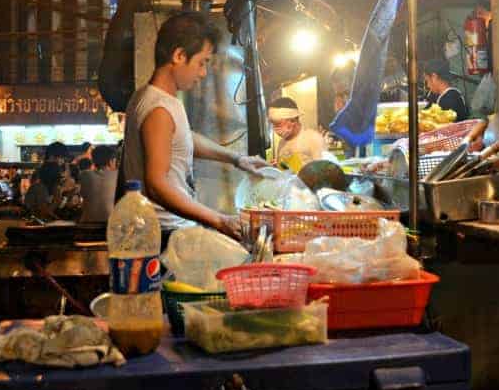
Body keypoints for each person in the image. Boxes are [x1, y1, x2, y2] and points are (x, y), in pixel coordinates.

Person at [123, 12, 268, 244]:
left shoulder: (154, 98)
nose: (203, 73)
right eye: (202, 63)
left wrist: (237, 159)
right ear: (179, 55)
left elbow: (181, 138)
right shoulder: (159, 109)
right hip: (163, 235)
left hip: (168, 230)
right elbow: (156, 185)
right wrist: (219, 220)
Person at [267, 97, 326, 169]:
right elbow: (284, 172)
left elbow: (324, 171)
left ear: (293, 120)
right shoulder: (282, 143)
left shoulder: (313, 139)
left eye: (278, 124)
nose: (275, 128)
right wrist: (276, 167)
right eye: (273, 124)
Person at [80, 145, 118, 224]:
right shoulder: (118, 175)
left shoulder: (84, 175)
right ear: (111, 161)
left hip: (87, 225)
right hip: (109, 225)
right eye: (115, 160)